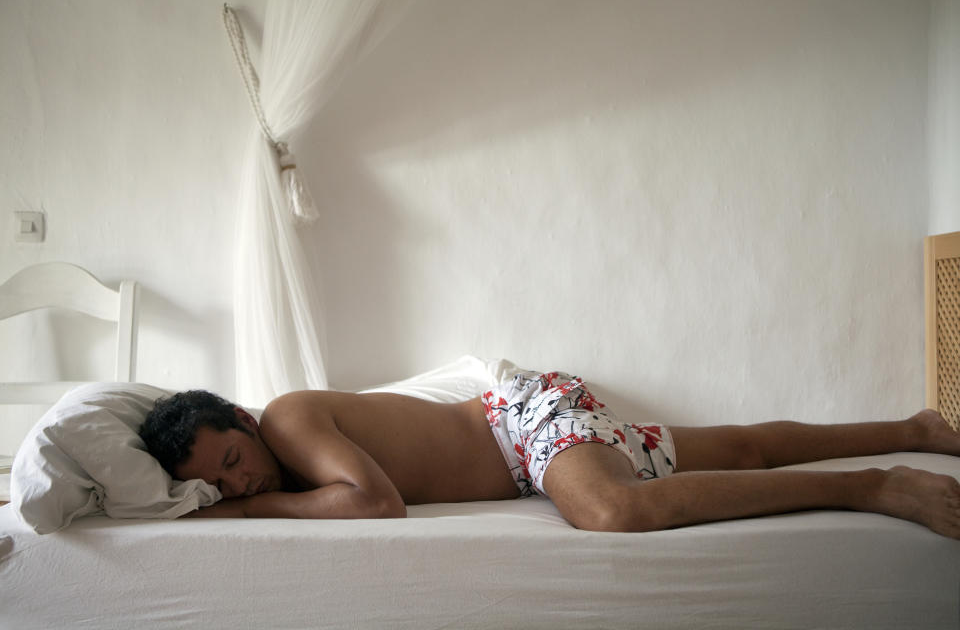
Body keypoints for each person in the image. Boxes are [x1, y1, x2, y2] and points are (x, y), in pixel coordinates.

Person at [139, 369, 960, 539]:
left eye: (232, 458)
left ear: (243, 420)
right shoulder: (261, 452)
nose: (236, 482)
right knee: (739, 446)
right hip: (532, 435)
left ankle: (871, 486)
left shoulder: (284, 419)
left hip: (520, 424)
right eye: (214, 483)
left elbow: (374, 504)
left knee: (608, 510)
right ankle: (916, 430)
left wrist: (255, 503)